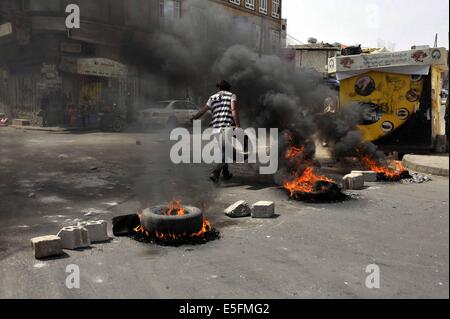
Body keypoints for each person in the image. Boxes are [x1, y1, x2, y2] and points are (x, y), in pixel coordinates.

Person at [191, 80, 241, 183]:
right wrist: (238, 125)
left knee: (224, 151)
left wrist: (195, 117)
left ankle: (226, 173)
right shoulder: (232, 96)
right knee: (226, 152)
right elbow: (234, 110)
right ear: (228, 88)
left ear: (219, 88)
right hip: (226, 127)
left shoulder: (212, 97)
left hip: (215, 129)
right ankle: (216, 172)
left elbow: (203, 110)